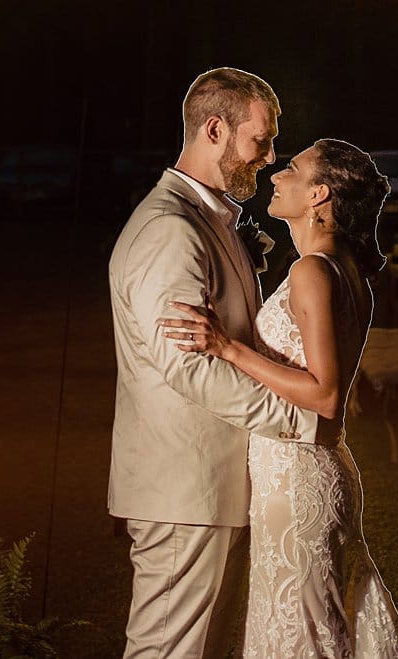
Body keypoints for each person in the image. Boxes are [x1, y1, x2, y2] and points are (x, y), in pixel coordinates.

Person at [164, 139, 398, 659]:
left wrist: (226, 346)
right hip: (310, 468)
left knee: (303, 635)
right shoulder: (342, 271)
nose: (277, 174)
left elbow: (324, 395)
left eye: (293, 169)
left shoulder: (312, 272)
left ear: (319, 194)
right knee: (308, 626)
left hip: (298, 478)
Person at [107, 70, 319, 659]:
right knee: (169, 650)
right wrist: (297, 420)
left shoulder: (205, 218)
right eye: (262, 140)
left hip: (208, 485)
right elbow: (189, 367)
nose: (270, 157)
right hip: (183, 485)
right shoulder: (169, 230)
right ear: (216, 128)